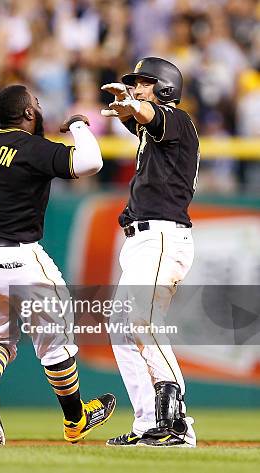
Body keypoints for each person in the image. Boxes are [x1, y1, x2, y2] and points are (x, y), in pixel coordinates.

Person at [0, 84, 115, 445]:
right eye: (37, 105)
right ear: (28, 114)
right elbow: (90, 162)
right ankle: (76, 418)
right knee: (55, 340)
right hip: (15, 256)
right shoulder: (28, 146)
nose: (40, 110)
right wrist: (78, 125)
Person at [101, 57, 200, 447]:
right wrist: (130, 107)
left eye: (144, 82)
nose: (137, 88)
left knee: (140, 321)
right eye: (135, 82)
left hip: (161, 237)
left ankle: (176, 423)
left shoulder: (177, 119)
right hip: (143, 239)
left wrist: (133, 104)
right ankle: (148, 423)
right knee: (122, 329)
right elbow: (141, 120)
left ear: (166, 88)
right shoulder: (154, 130)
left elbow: (149, 115)